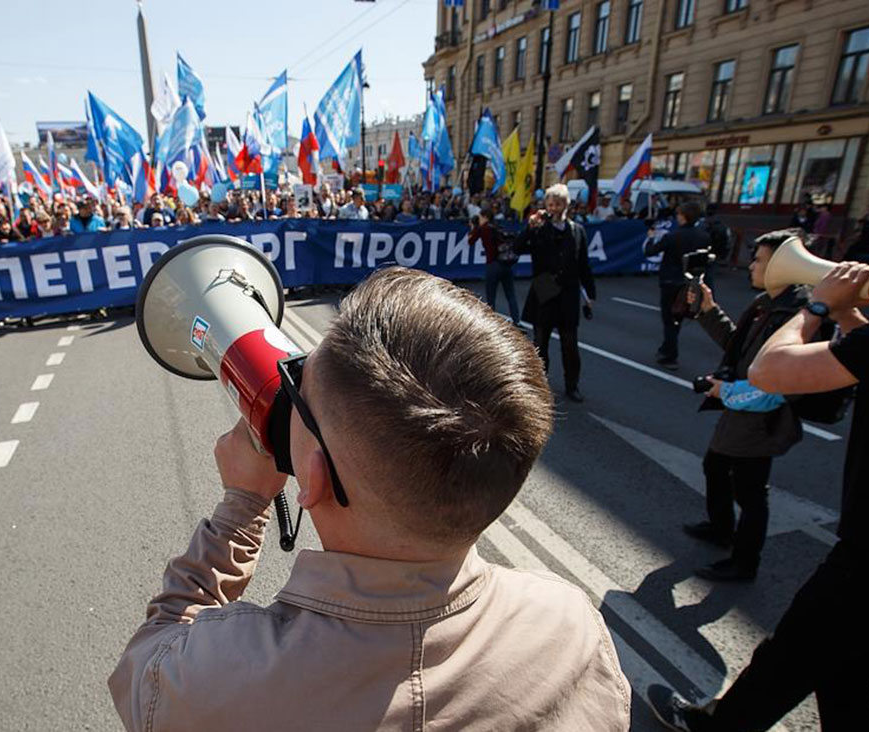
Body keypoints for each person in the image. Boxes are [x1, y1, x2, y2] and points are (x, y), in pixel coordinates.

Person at [108, 267, 630, 730]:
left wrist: (241, 505)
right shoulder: (571, 624)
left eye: (298, 395)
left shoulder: (215, 681)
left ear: (311, 478)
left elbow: (148, 664)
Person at [649, 204, 869, 731]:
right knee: (845, 673)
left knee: (785, 663)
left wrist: (816, 305)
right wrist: (847, 314)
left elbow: (770, 371)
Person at [680, 230, 813, 582]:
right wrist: (708, 310)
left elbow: (784, 379)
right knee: (716, 467)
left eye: (760, 260)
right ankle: (722, 529)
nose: (752, 265)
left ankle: (744, 561)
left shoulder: (796, 314)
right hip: (742, 413)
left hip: (762, 419)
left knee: (751, 493)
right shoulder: (767, 304)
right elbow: (737, 347)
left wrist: (726, 391)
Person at [515, 183, 596, 402]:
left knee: (570, 343)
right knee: (541, 342)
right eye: (550, 203)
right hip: (544, 291)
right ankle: (539, 387)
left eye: (558, 203)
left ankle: (572, 385)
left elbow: (584, 265)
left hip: (568, 294)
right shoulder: (539, 227)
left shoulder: (577, 231)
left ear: (565, 205)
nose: (554, 207)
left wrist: (591, 294)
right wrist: (530, 228)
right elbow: (517, 248)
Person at [645, 202, 710, 370]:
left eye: (679, 214)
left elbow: (650, 251)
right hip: (690, 281)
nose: (677, 217)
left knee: (669, 318)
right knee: (679, 316)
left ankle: (670, 355)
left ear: (683, 216)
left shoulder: (673, 236)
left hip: (670, 281)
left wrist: (651, 237)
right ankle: (666, 348)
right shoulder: (703, 237)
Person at [471, 208, 520, 325]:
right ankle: (517, 321)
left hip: (492, 265)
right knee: (510, 294)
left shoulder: (483, 229)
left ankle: (491, 323)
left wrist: (473, 228)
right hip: (506, 264)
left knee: (491, 296)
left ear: (484, 217)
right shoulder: (497, 227)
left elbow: (471, 241)